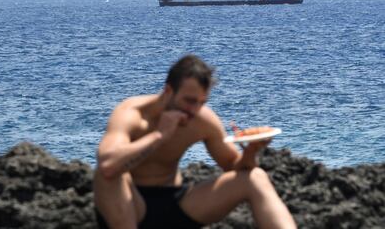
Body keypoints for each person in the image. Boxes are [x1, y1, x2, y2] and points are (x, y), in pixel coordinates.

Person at [93, 55, 296, 229]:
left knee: (255, 177)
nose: (194, 110)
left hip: (176, 205)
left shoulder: (201, 120)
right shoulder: (132, 114)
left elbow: (236, 168)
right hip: (130, 210)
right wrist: (159, 136)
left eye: (202, 102)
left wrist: (252, 149)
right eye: (190, 101)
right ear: (168, 91)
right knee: (107, 174)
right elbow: (108, 166)